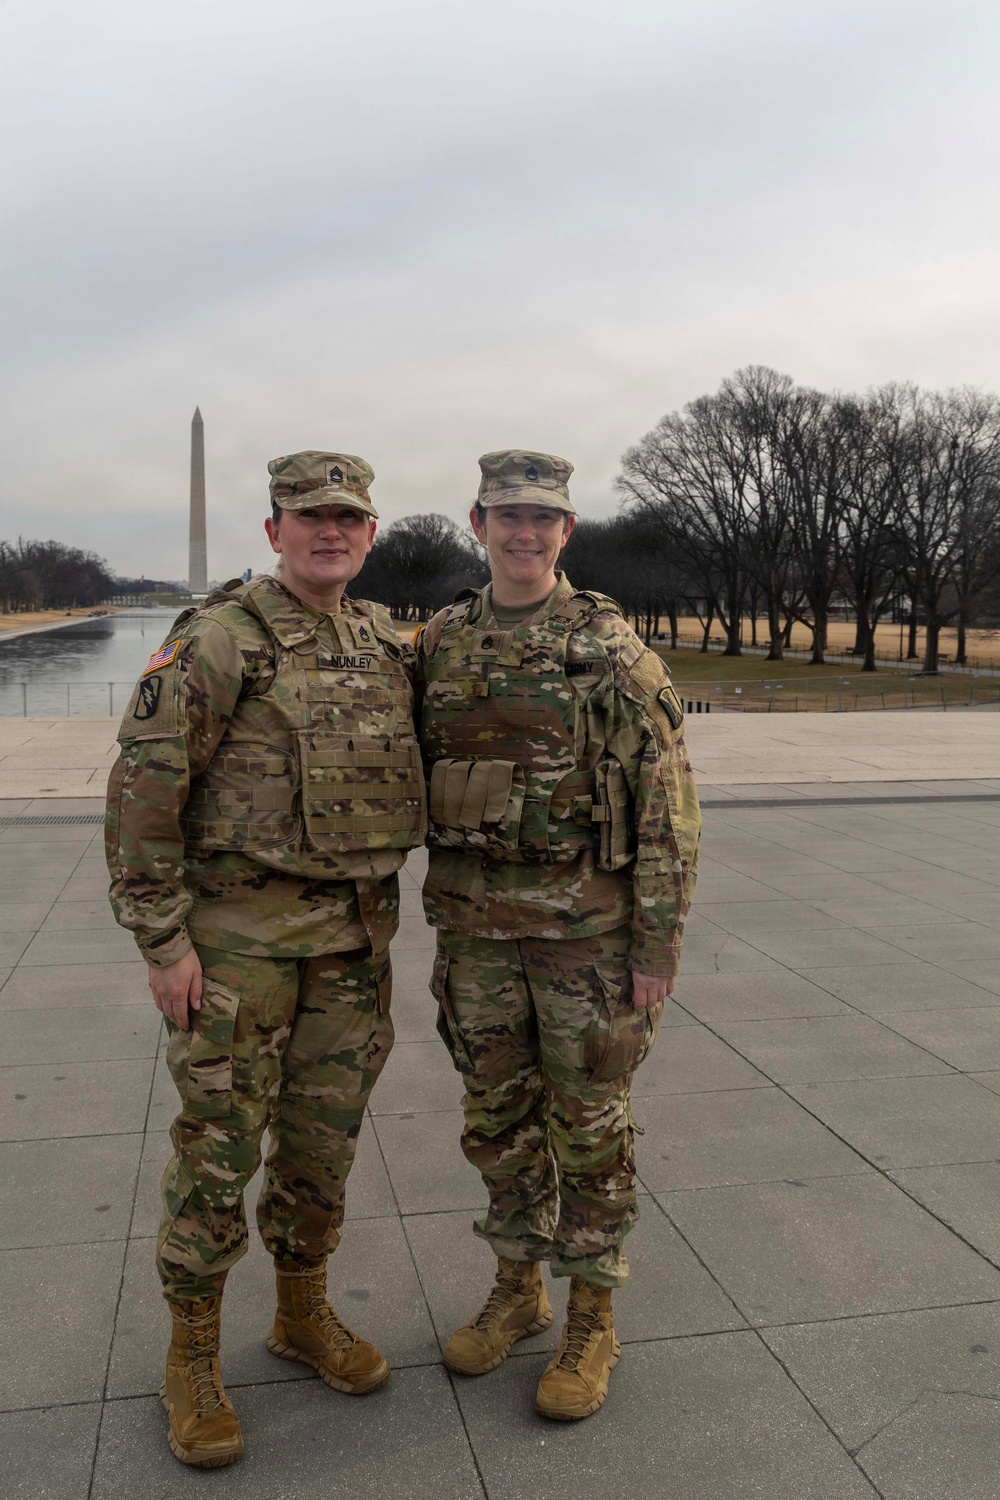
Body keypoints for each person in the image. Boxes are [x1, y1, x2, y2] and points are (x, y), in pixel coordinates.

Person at [106, 451, 426, 1468]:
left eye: (349, 518)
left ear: (371, 535)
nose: (330, 531)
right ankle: (190, 1357)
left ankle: (301, 1314)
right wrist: (162, 940)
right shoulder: (219, 640)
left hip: (350, 945)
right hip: (237, 952)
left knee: (320, 1148)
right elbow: (143, 791)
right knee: (218, 1151)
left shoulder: (384, 642)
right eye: (309, 516)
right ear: (272, 529)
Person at [415, 449, 700, 1421]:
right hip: (478, 943)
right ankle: (515, 1287)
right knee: (496, 1127)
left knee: (588, 1135)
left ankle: (591, 1315)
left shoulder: (608, 648)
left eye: (543, 517)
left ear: (566, 531)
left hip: (588, 944)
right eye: (507, 515)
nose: (524, 532)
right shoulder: (443, 642)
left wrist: (656, 944)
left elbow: (666, 803)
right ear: (477, 522)